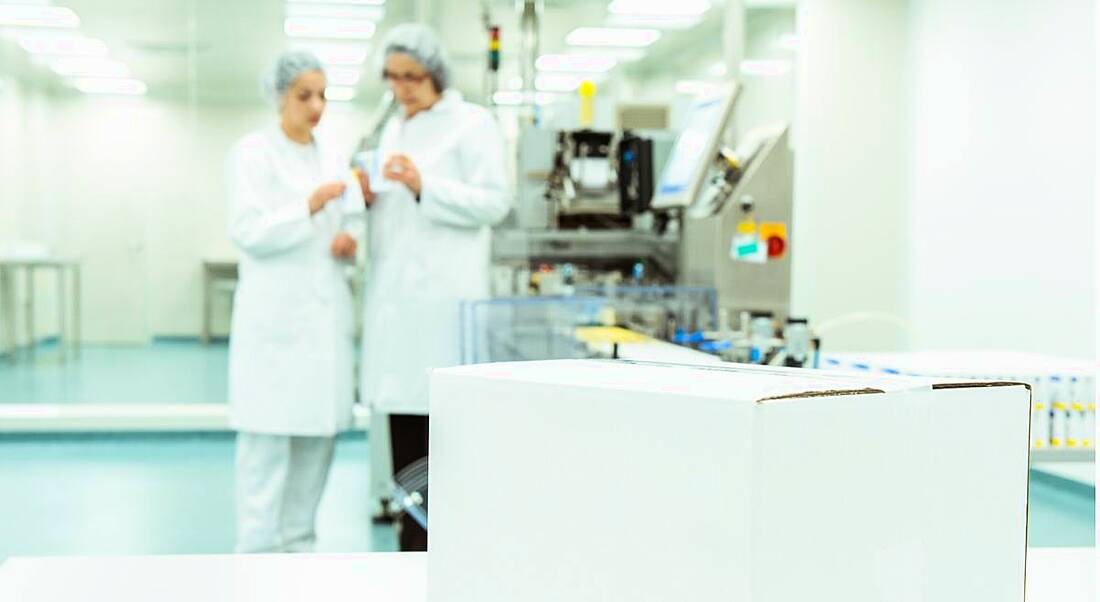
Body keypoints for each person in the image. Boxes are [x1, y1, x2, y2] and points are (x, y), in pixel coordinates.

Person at [359, 24, 511, 551]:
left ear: (436, 75)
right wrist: (369, 196)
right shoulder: (395, 128)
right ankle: (410, 538)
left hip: (445, 308)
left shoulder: (472, 124)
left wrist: (427, 185)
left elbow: (494, 202)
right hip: (398, 309)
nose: (401, 89)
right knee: (405, 433)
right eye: (393, 78)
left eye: (412, 78)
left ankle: (443, 549)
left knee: (446, 437)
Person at [226, 50, 367, 553]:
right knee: (265, 455)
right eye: (304, 95)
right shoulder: (253, 153)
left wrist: (349, 241)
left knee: (316, 447)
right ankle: (257, 559)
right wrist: (306, 207)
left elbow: (348, 227)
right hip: (274, 328)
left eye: (323, 95)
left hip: (323, 328)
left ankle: (299, 554)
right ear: (279, 97)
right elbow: (247, 230)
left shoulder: (331, 157)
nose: (316, 106)